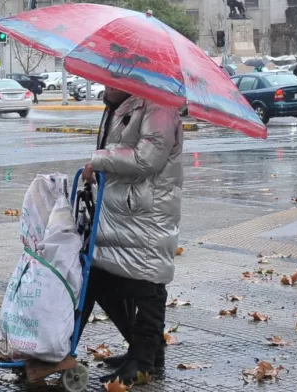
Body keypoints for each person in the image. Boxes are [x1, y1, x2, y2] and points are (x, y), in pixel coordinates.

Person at [80, 87, 183, 384]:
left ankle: (143, 361)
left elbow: (146, 160)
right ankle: (146, 349)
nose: (105, 82)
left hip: (147, 213)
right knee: (102, 280)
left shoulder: (159, 107)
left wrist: (97, 161)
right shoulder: (120, 103)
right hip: (120, 212)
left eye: (113, 76)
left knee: (147, 285)